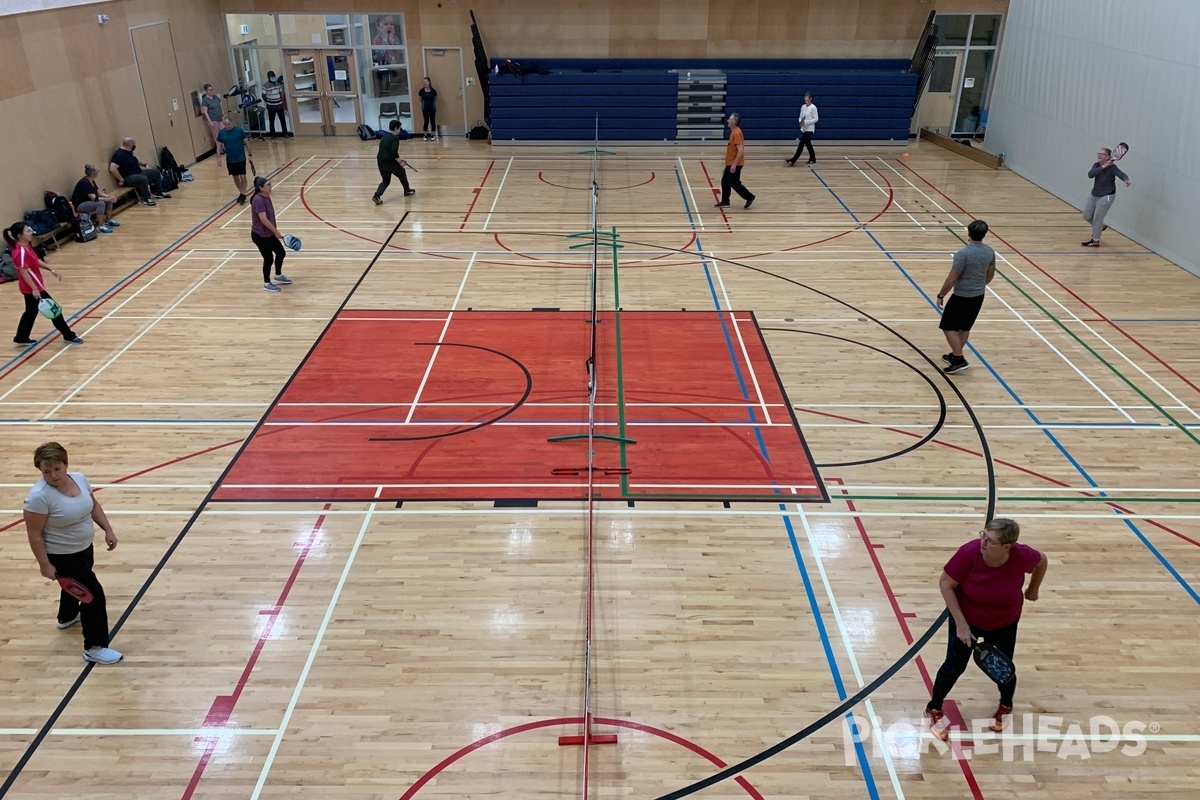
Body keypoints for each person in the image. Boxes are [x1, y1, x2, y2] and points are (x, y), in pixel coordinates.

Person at [925, 519, 1047, 740]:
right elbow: (945, 584)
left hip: (1005, 622)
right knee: (954, 666)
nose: (982, 541)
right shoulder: (969, 553)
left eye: (989, 540)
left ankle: (1006, 706)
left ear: (1007, 546)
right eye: (983, 535)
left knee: (1003, 668)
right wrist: (961, 625)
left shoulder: (1022, 555)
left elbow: (1042, 561)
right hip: (967, 621)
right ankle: (934, 708)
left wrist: (1033, 588)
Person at [23, 442, 122, 665]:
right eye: (46, 471)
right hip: (62, 556)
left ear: (65, 464)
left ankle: (66, 617)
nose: (53, 475)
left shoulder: (80, 478)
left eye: (57, 468)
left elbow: (93, 505)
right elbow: (34, 534)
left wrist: (108, 529)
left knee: (76, 586)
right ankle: (94, 647)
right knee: (92, 595)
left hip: (84, 549)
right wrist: (44, 565)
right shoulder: (38, 497)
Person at [6, 222, 84, 345]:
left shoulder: (27, 246)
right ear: (20, 235)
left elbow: (35, 261)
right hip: (32, 287)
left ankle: (21, 337)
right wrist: (34, 289)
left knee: (30, 312)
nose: (31, 232)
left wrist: (51, 269)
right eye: (28, 231)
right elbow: (24, 272)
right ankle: (68, 335)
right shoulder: (20, 252)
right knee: (54, 311)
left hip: (35, 286)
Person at [935, 219, 995, 374]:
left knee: (947, 327)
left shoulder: (963, 254)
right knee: (964, 327)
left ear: (969, 233)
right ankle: (955, 355)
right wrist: (979, 286)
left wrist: (941, 295)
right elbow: (990, 274)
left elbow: (952, 278)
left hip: (961, 296)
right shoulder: (989, 252)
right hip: (978, 295)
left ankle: (959, 359)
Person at [249, 176, 292, 293]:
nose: (270, 186)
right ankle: (266, 283)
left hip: (269, 233)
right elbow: (263, 219)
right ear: (261, 188)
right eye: (268, 185)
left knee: (280, 253)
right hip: (260, 235)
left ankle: (278, 276)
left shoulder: (266, 197)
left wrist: (273, 231)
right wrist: (276, 232)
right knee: (268, 258)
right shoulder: (258, 200)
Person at [1081, 147, 1130, 248]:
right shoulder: (1096, 165)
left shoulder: (1112, 167)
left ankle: (1095, 241)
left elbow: (1121, 174)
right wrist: (1103, 166)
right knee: (1086, 215)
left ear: (1108, 157)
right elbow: (1090, 175)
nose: (1099, 155)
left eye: (1102, 154)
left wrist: (1126, 179)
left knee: (1098, 218)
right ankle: (1101, 227)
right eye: (1098, 153)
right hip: (1094, 194)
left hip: (1107, 196)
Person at [109, 138, 170, 207]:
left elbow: (135, 161)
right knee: (143, 179)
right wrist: (121, 180)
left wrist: (144, 164)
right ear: (130, 145)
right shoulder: (119, 155)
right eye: (134, 145)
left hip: (138, 172)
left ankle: (159, 192)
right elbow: (112, 168)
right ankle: (146, 199)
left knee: (155, 172)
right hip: (128, 177)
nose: (135, 146)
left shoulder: (130, 152)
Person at [716, 112, 755, 210]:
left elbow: (740, 150)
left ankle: (749, 197)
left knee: (734, 183)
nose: (728, 120)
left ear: (735, 122)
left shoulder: (736, 133)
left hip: (735, 163)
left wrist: (733, 165)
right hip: (731, 162)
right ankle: (725, 201)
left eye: (730, 119)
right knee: (725, 181)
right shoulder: (733, 132)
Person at [371, 119, 415, 205]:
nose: (400, 130)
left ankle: (377, 196)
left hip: (380, 161)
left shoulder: (385, 136)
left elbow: (387, 151)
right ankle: (407, 190)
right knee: (402, 172)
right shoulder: (395, 139)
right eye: (399, 129)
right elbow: (394, 152)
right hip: (389, 162)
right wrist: (400, 162)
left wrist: (400, 159)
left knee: (385, 181)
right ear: (396, 128)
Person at [71, 164, 120, 234]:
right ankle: (100, 226)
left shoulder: (91, 180)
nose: (98, 172)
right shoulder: (85, 183)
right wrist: (109, 199)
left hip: (88, 201)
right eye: (97, 171)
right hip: (79, 204)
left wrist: (109, 196)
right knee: (101, 204)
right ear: (94, 173)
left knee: (107, 201)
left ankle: (108, 220)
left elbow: (97, 192)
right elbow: (94, 198)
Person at [216, 117, 254, 205]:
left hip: (240, 158)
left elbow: (246, 142)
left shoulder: (239, 131)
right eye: (225, 125)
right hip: (230, 159)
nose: (227, 126)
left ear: (232, 123)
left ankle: (243, 193)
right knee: (235, 177)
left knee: (243, 176)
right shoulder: (222, 133)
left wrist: (250, 154)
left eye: (229, 124)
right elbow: (219, 146)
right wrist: (218, 158)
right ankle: (242, 192)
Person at [786, 92, 819, 166]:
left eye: (806, 97)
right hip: (804, 128)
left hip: (809, 129)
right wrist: (801, 122)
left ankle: (793, 160)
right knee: (808, 144)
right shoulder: (803, 107)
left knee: (801, 144)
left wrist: (806, 122)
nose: (805, 99)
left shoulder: (813, 107)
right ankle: (812, 158)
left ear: (810, 99)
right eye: (805, 97)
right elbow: (800, 116)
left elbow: (816, 119)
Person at [261, 71, 290, 138]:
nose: (273, 78)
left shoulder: (278, 84)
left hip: (279, 105)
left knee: (282, 120)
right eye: (272, 77)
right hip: (271, 106)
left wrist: (283, 104)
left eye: (274, 76)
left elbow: (281, 94)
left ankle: (285, 133)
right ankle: (272, 135)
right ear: (268, 77)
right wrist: (268, 101)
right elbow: (263, 96)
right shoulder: (265, 86)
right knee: (271, 121)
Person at [200, 83, 225, 151]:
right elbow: (205, 112)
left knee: (223, 132)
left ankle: (224, 146)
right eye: (210, 90)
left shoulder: (216, 97)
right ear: (206, 91)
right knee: (216, 135)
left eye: (212, 89)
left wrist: (223, 114)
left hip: (220, 118)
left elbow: (220, 106)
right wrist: (210, 121)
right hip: (213, 119)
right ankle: (220, 149)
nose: (211, 91)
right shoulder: (205, 100)